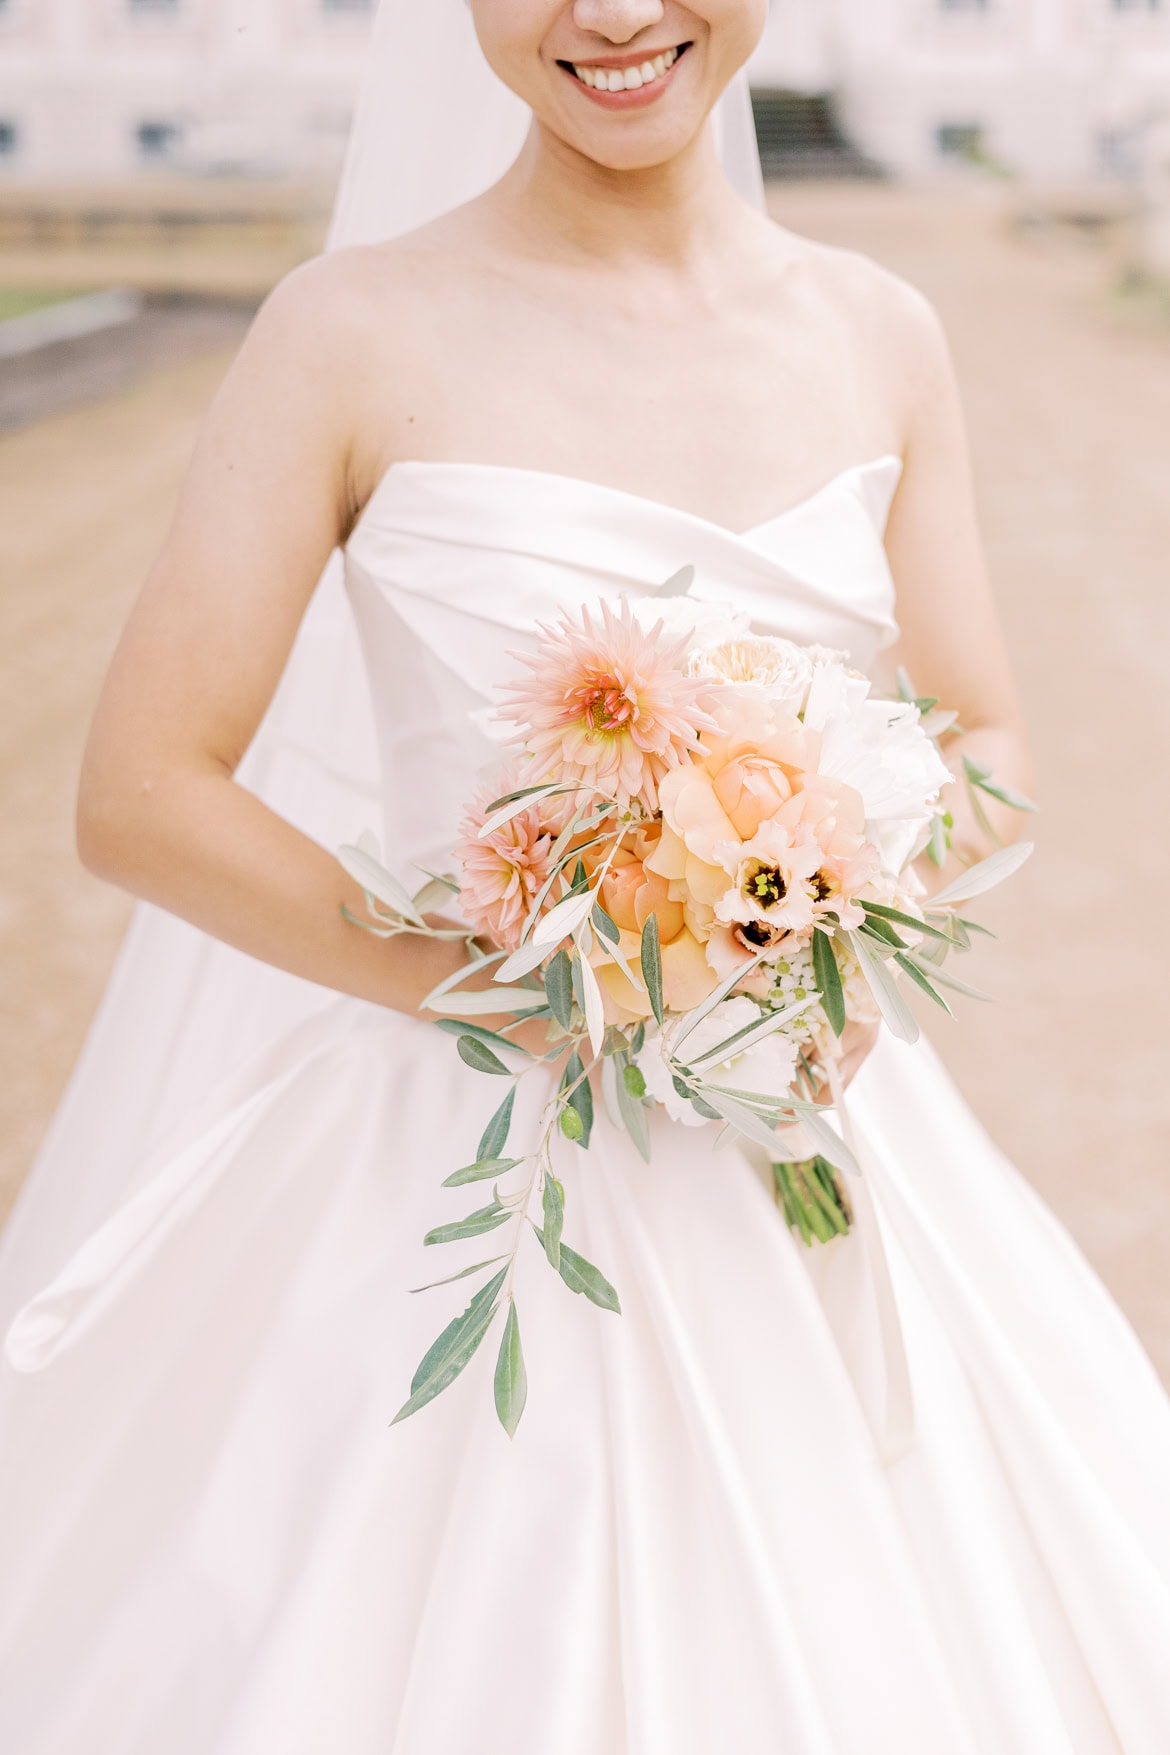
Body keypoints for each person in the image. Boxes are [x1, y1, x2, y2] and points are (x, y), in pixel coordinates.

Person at [2, 4, 1169, 1750]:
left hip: (813, 1119)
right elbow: (143, 791)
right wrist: (527, 982)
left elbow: (985, 734)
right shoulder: (348, 329)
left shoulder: (878, 330)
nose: (613, 17)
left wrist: (815, 918)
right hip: (450, 1148)